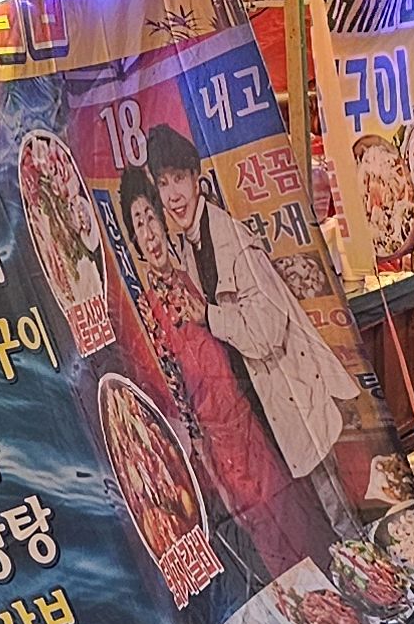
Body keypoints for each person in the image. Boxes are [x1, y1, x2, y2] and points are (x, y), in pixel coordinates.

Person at [144, 125, 360, 533]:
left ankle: (376, 588)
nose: (173, 195)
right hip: (262, 407)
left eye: (180, 179)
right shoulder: (192, 242)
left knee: (337, 516)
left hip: (290, 394)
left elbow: (265, 330)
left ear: (197, 180)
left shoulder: (229, 240)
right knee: (311, 521)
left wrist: (208, 315)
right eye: (164, 183)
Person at [116, 170, 322, 577]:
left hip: (249, 416)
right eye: (139, 226)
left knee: (290, 508)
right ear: (136, 243)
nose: (150, 233)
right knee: (260, 527)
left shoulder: (193, 272)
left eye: (152, 219)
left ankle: (328, 585)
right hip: (215, 441)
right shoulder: (146, 310)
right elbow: (168, 387)